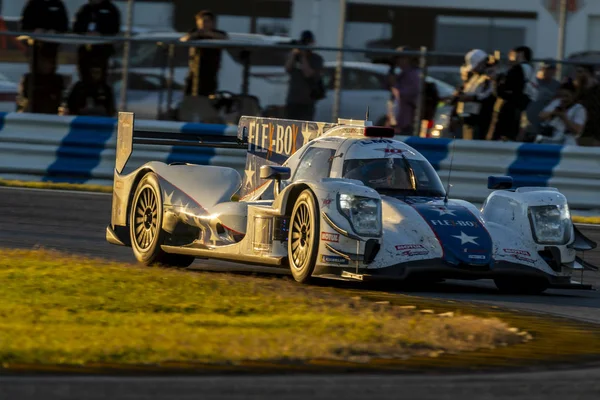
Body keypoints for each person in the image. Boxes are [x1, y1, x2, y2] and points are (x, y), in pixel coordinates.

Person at [487, 46, 537, 141]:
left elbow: (505, 90)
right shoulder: (529, 69)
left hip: (508, 112)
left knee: (498, 140)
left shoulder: (518, 69)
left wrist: (495, 80)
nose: (510, 57)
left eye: (512, 54)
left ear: (520, 54)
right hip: (519, 109)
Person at [181, 10, 228, 97]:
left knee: (207, 95)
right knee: (188, 94)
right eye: (201, 21)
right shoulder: (194, 32)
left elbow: (224, 38)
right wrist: (196, 34)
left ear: (212, 22)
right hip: (194, 69)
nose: (203, 24)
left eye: (207, 21)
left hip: (210, 70)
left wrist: (208, 34)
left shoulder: (218, 33)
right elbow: (184, 39)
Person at [72, 0, 121, 83]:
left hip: (102, 50)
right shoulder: (84, 9)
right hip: (86, 51)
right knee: (85, 75)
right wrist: (85, 33)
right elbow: (76, 27)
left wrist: (101, 34)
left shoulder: (111, 9)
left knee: (100, 77)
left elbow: (115, 28)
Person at [455, 49, 496, 140]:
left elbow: (487, 95)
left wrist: (471, 98)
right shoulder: (474, 76)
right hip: (469, 117)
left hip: (480, 119)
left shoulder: (489, 77)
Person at [284, 30, 325, 121]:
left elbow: (308, 73)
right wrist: (294, 54)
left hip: (307, 101)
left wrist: (303, 57)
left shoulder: (316, 59)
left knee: (305, 129)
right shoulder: (294, 57)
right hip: (293, 100)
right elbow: (287, 68)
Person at [20, 0, 70, 74]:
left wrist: (55, 32)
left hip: (53, 47)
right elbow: (24, 26)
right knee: (36, 70)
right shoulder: (32, 4)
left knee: (50, 71)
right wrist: (34, 31)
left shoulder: (58, 4)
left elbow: (65, 26)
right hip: (35, 47)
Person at [520, 60, 561, 142]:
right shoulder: (534, 82)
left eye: (552, 69)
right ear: (542, 69)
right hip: (528, 122)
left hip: (544, 125)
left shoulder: (557, 86)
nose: (549, 71)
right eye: (547, 69)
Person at [387, 46, 421, 135]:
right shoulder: (401, 74)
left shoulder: (412, 74)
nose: (399, 61)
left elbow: (409, 94)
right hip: (397, 120)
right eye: (397, 58)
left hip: (407, 121)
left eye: (402, 58)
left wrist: (395, 86)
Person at [573, 64, 600, 146]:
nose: (578, 75)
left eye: (580, 72)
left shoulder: (597, 91)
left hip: (595, 134)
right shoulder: (578, 92)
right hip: (581, 133)